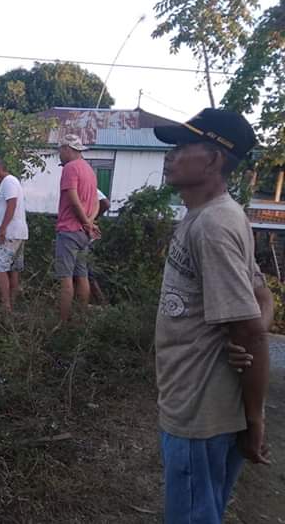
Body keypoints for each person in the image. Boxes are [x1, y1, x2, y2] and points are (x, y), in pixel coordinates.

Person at [153, 108, 274, 523]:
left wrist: (255, 418)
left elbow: (253, 329)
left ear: (215, 159)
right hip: (205, 408)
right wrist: (250, 331)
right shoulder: (218, 215)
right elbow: (261, 297)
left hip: (199, 413)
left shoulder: (214, 226)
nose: (171, 155)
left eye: (184, 146)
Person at [54, 134, 99, 322]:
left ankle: (63, 324)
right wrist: (88, 222)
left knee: (65, 279)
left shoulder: (70, 168)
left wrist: (85, 222)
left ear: (67, 149)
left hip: (69, 230)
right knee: (82, 276)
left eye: (60, 150)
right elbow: (96, 202)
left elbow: (72, 198)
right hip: (84, 233)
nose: (59, 154)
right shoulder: (89, 170)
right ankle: (81, 319)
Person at [0, 158, 28, 312]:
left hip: (10, 233)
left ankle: (6, 305)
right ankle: (13, 303)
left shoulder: (8, 182)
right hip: (19, 233)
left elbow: (12, 204)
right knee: (14, 268)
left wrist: (3, 229)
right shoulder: (12, 181)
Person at [88, 189, 110, 305]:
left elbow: (106, 203)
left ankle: (102, 303)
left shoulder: (86, 183)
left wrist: (91, 219)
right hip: (82, 233)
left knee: (87, 272)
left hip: (84, 235)